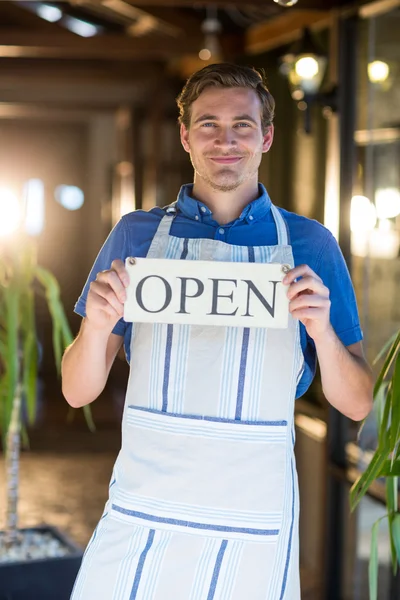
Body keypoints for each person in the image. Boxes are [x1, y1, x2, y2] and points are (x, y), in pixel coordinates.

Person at [62, 63, 373, 600]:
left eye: (243, 125)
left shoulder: (312, 245)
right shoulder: (136, 235)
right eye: (207, 124)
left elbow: (359, 403)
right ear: (185, 136)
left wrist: (322, 331)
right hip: (143, 509)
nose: (225, 140)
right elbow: (77, 390)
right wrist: (96, 326)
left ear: (267, 136)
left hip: (253, 518)